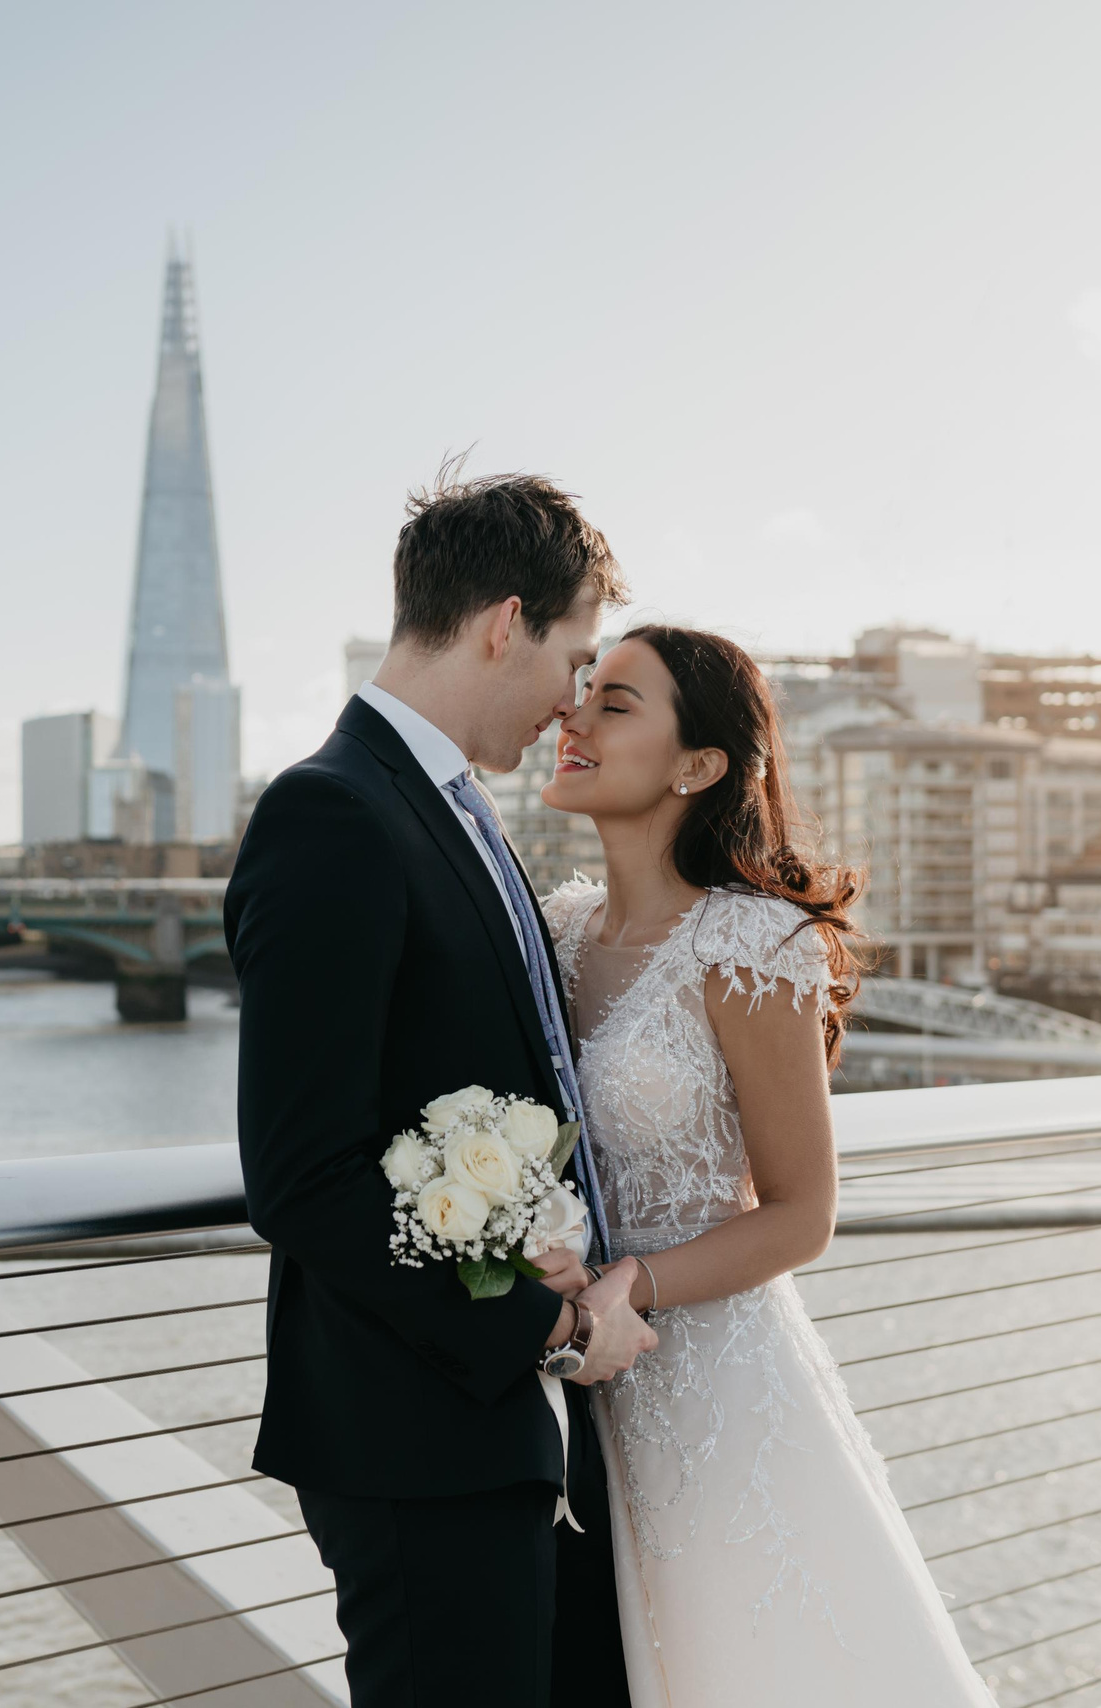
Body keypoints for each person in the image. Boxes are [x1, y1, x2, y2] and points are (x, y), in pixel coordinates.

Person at [226, 468, 653, 1708]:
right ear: (502, 623)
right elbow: (304, 1175)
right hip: (409, 1439)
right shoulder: (333, 812)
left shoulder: (455, 808)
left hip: (495, 1431)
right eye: (573, 656)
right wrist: (543, 1325)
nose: (574, 697)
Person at [537, 623, 999, 1703]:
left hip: (718, 1385)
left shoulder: (748, 945)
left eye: (616, 703)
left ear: (697, 766)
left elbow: (802, 1214)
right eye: (582, 692)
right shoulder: (554, 928)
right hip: (587, 1396)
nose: (575, 717)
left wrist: (631, 1284)